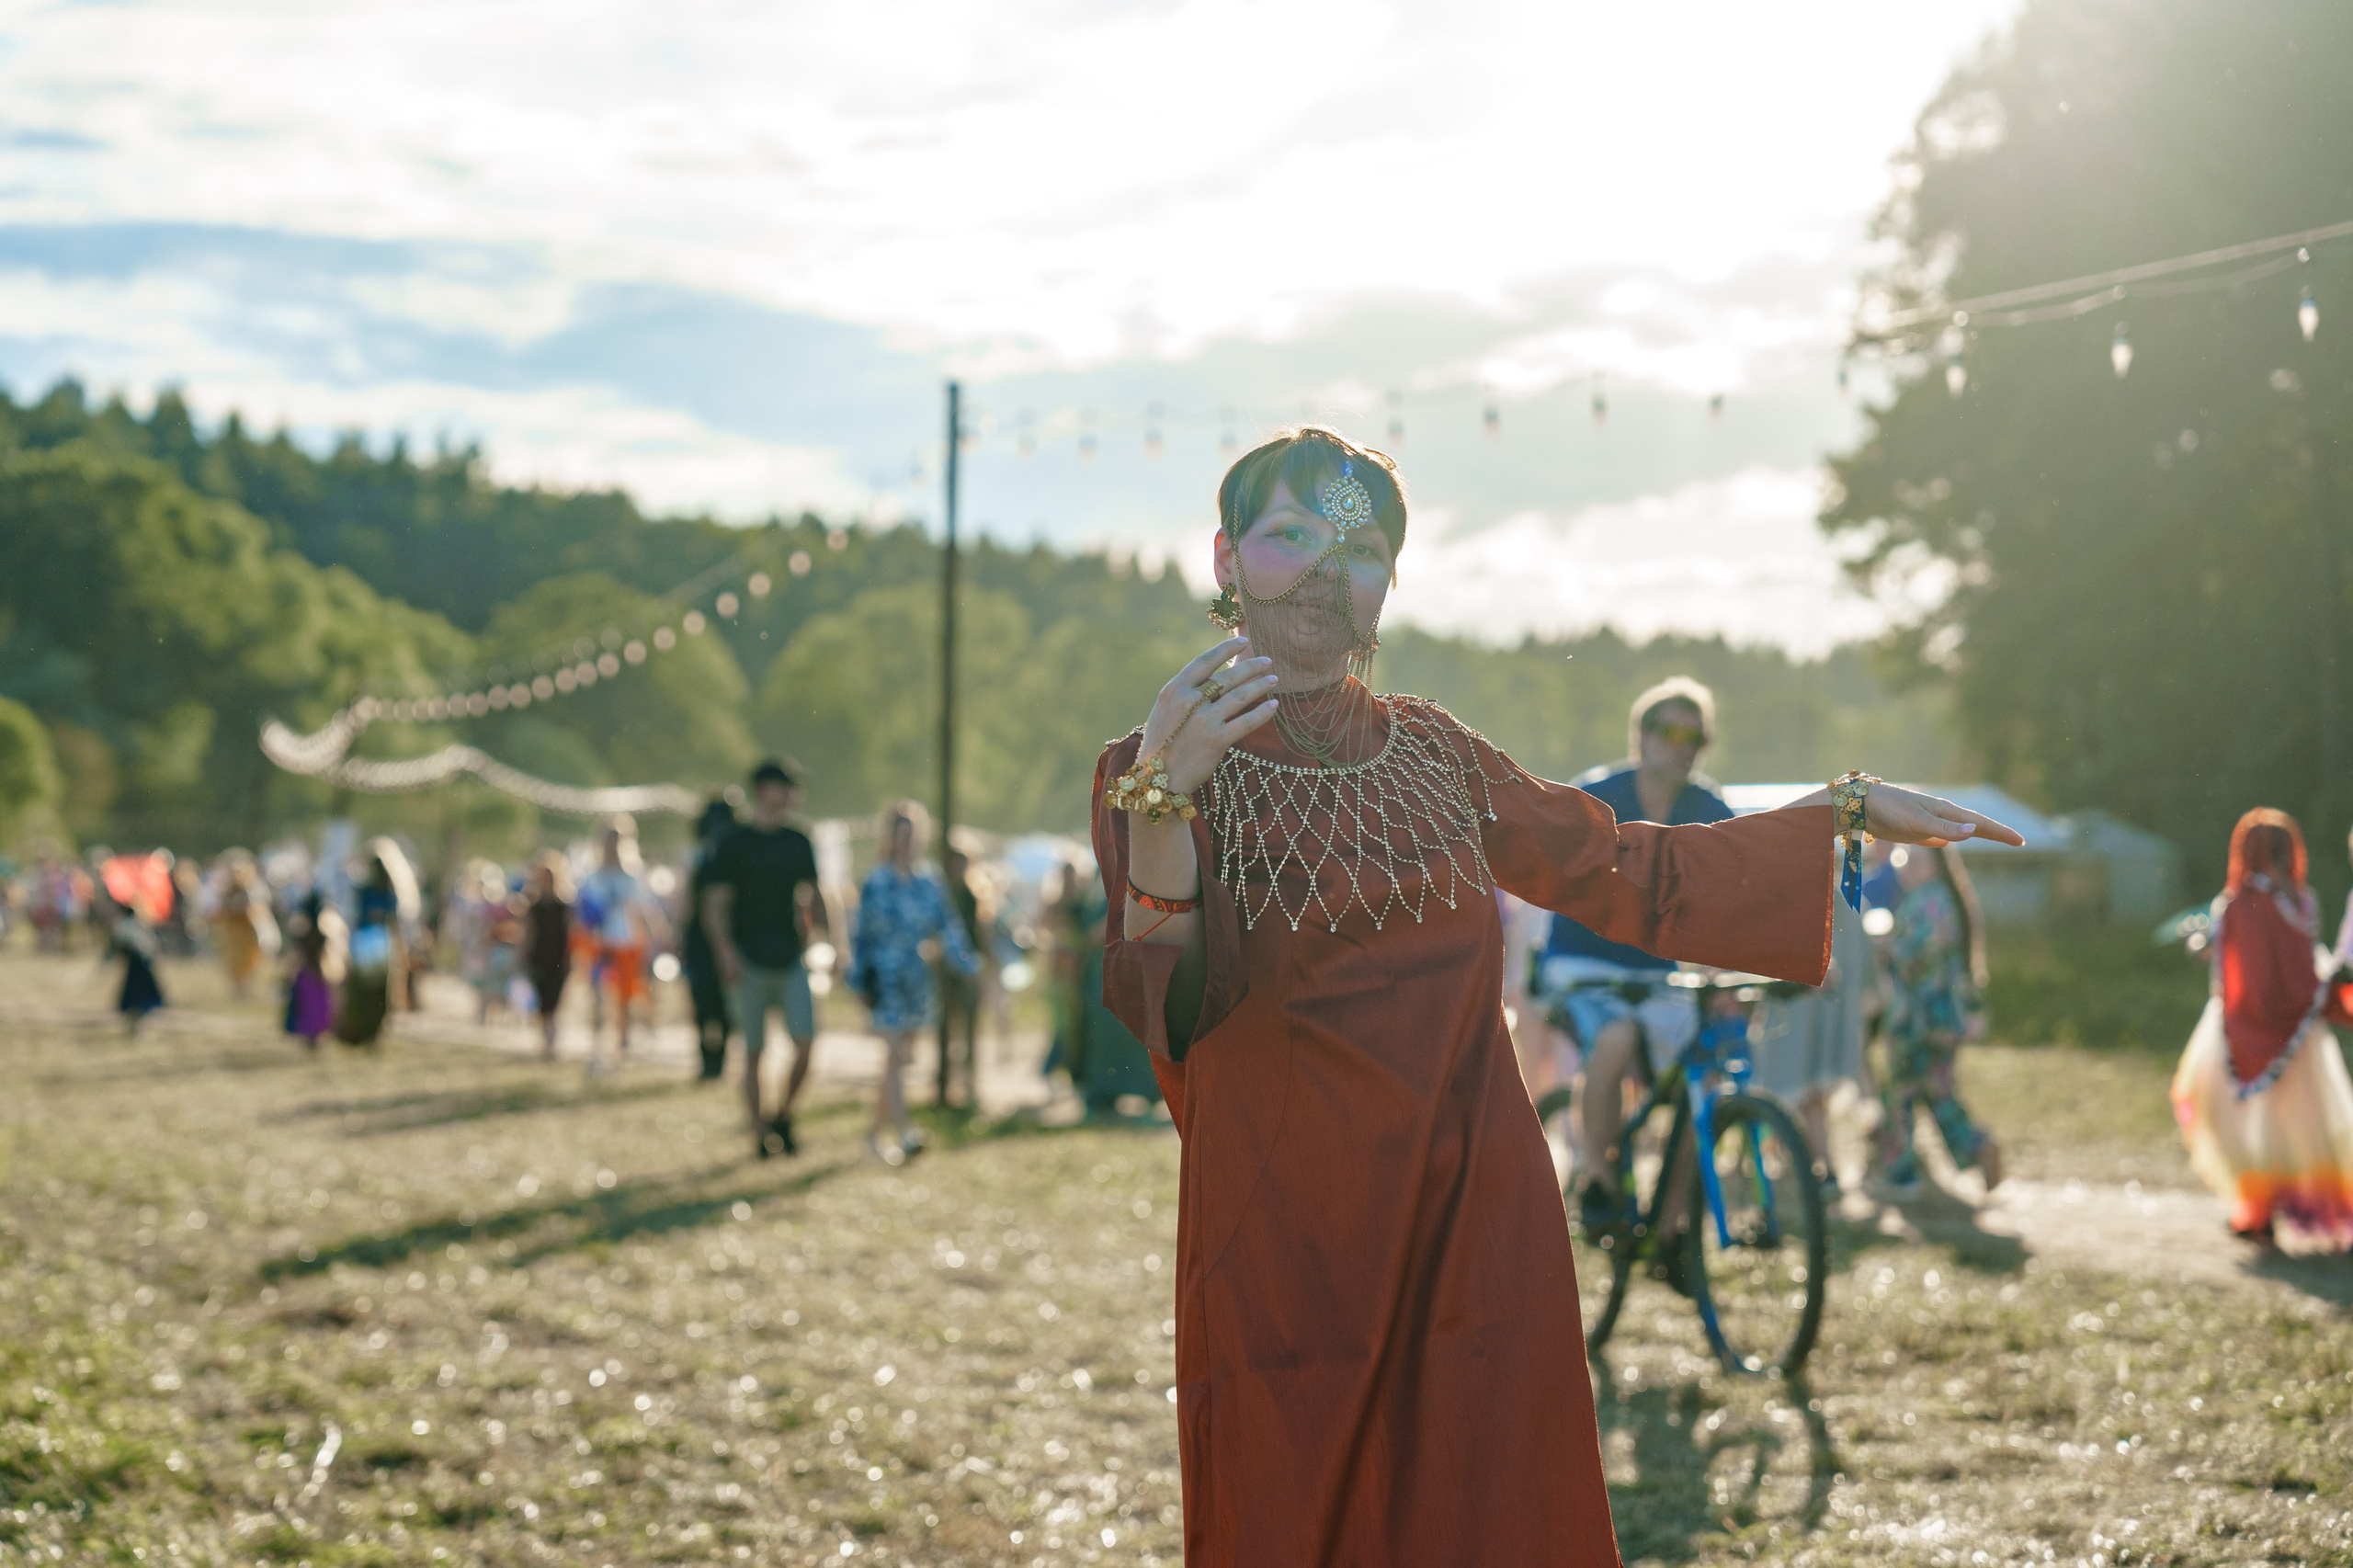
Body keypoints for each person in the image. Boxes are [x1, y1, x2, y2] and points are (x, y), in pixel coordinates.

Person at [1090, 426, 2018, 1565]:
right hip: (1292, 1228)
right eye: (1292, 536)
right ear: (1226, 559)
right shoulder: (1146, 765)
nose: (1331, 573)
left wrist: (1842, 809)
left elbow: (1632, 869)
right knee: (1295, 1514)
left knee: (1485, 1517)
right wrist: (1158, 808)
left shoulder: (1435, 753)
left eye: (1364, 546)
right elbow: (1171, 1012)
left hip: (1473, 1214)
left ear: (1391, 578)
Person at [1536, 676, 1734, 1233]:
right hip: (1583, 963)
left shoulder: (1709, 806)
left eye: (1697, 737)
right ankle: (1595, 1177)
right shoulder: (1596, 797)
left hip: (1659, 972)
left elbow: (1739, 890)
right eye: (1671, 732)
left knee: (1707, 1084)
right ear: (1641, 737)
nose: (1683, 746)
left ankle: (1671, 1225)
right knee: (1616, 1037)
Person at [2172, 809, 2353, 1253]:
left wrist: (2197, 943)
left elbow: (2235, 964)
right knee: (2308, 1128)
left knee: (2248, 1126)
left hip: (2247, 1026)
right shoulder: (2303, 899)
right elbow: (2306, 957)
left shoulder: (2241, 902)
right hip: (2300, 1030)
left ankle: (2258, 1214)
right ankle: (2314, 1210)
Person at [706, 761, 829, 1156]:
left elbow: (815, 894)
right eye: (786, 787)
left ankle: (782, 1114)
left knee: (805, 1043)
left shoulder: (799, 840)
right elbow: (715, 903)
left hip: (791, 959)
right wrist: (725, 952)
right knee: (754, 1052)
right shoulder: (733, 842)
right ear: (764, 790)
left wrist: (833, 944)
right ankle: (760, 1133)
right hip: (749, 961)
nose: (793, 795)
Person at [850, 800, 979, 1165]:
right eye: (898, 835)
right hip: (883, 979)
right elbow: (860, 935)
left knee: (899, 1059)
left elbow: (947, 926)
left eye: (910, 835)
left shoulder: (929, 881)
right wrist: (857, 978)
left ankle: (874, 1134)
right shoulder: (876, 882)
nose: (904, 842)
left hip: (915, 978)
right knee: (892, 1054)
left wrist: (966, 962)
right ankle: (905, 1132)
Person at [1871, 841, 2002, 1198]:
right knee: (1938, 1093)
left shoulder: (1923, 903)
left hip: (1915, 1020)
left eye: (1917, 860)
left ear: (1935, 865)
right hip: (1944, 1019)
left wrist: (1885, 949)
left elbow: (1917, 959)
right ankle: (1976, 1147)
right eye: (1906, 859)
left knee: (1899, 1096)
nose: (1908, 866)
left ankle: (1901, 1175)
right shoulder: (1948, 901)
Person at [1750, 866, 1881, 1198]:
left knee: (1804, 1091)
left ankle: (1825, 1169)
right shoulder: (1847, 901)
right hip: (1825, 1013)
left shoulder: (1804, 900)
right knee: (1808, 1093)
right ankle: (1800, 1158)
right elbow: (1868, 972)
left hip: (1803, 1014)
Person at [575, 816, 669, 1072]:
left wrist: (659, 935)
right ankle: (597, 1043)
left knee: (626, 997)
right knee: (598, 995)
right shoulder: (591, 877)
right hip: (600, 945)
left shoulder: (632, 876)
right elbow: (582, 914)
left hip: (627, 943)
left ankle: (623, 1041)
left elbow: (646, 908)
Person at [335, 839, 415, 1047]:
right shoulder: (376, 892)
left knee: (370, 990)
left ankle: (368, 1032)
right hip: (376, 946)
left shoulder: (372, 892)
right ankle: (364, 1032)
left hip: (373, 946)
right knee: (371, 990)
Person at [682, 797, 739, 1083]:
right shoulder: (699, 857)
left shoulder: (735, 856)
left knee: (725, 1004)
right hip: (699, 940)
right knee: (703, 1001)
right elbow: (689, 901)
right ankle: (707, 1058)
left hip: (729, 937)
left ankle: (720, 1059)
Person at [933, 844, 985, 1108]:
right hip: (945, 971)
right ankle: (943, 1084)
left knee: (968, 1029)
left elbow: (977, 936)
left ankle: (968, 1085)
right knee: (943, 1028)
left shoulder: (971, 895)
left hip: (968, 972)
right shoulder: (941, 895)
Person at [521, 851, 573, 1060]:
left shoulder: (565, 906)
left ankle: (551, 1043)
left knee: (554, 1003)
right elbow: (528, 934)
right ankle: (546, 1042)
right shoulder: (532, 907)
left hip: (558, 961)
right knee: (542, 1005)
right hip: (539, 959)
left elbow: (570, 935)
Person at [210, 851, 280, 998]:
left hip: (250, 932)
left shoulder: (255, 888)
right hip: (234, 932)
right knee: (233, 964)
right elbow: (219, 910)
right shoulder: (228, 889)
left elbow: (260, 910)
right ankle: (238, 991)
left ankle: (247, 991)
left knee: (251, 963)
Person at [102, 892, 165, 1034]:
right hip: (142, 965)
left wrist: (104, 964)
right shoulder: (138, 925)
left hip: (137, 965)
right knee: (141, 995)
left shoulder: (123, 926)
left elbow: (113, 948)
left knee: (135, 995)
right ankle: (138, 1019)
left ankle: (137, 1019)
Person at [282, 888, 337, 1051]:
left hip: (308, 975)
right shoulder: (323, 929)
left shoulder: (303, 929)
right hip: (318, 974)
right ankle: (314, 1038)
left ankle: (310, 1038)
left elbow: (295, 954)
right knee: (316, 1009)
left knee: (308, 1009)